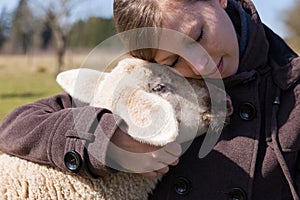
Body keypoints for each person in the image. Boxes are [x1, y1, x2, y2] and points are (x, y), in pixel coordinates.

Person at [0, 0, 299, 199]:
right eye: (172, 60)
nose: (201, 66)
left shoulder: (294, 94)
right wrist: (108, 138)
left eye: (198, 36)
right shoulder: (151, 81)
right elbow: (14, 128)